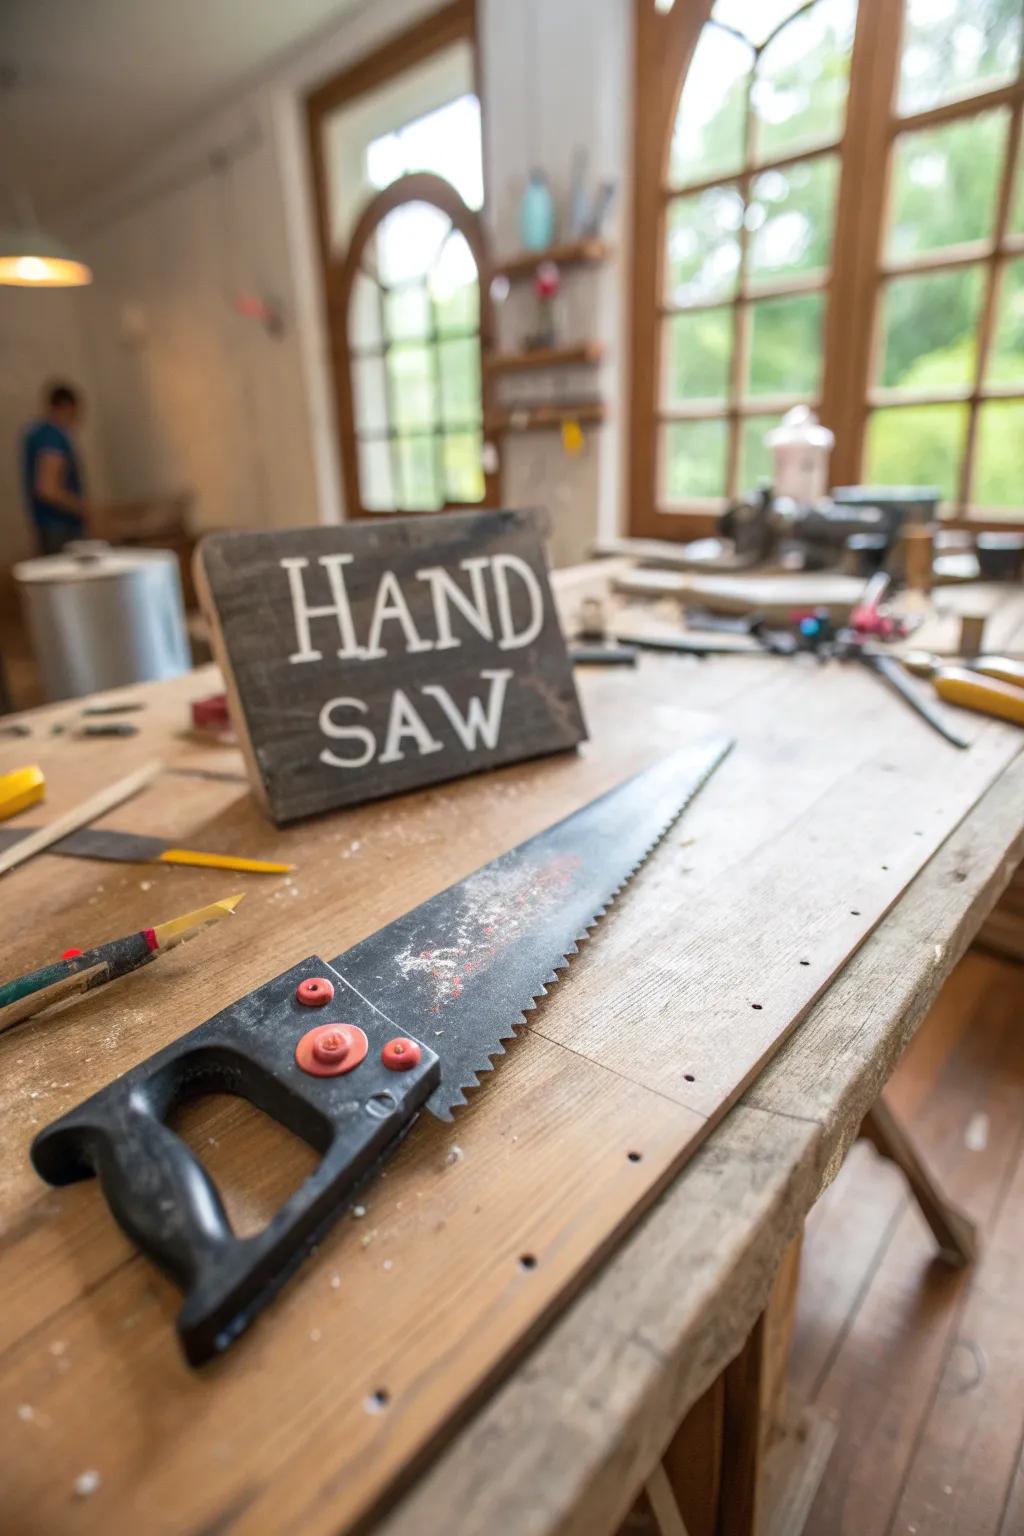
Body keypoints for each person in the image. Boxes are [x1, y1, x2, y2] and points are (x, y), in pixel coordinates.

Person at [21, 382, 91, 556]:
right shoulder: (52, 437)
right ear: (66, 407)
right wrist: (84, 509)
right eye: (76, 413)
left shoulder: (36, 432)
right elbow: (48, 489)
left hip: (48, 525)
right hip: (60, 527)